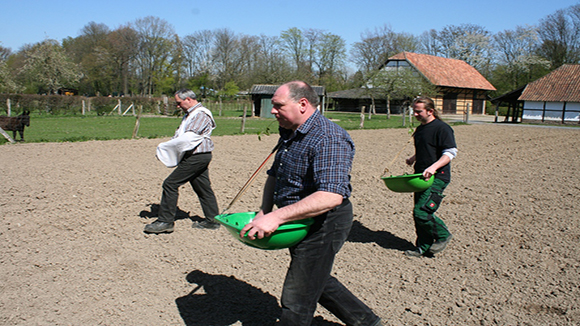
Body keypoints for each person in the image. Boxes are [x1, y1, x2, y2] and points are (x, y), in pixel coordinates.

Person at [240, 81, 382, 326]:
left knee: (297, 295)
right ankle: (366, 321)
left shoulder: (329, 138)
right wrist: (265, 209)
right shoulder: (290, 131)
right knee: (316, 277)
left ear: (302, 104)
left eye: (278, 105)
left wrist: (276, 217)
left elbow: (330, 196)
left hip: (326, 222)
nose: (272, 110)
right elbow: (275, 174)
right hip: (297, 218)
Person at [144, 89, 220, 234]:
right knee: (203, 188)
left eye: (179, 103)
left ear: (189, 100)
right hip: (197, 156)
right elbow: (180, 136)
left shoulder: (201, 114)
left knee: (170, 184)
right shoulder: (190, 115)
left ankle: (165, 221)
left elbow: (189, 138)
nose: (178, 106)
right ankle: (213, 220)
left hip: (197, 157)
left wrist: (164, 148)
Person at [404, 96, 457, 257]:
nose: (415, 114)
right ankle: (423, 247)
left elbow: (450, 152)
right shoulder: (420, 129)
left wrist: (433, 168)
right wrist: (414, 158)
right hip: (420, 176)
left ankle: (443, 235)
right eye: (414, 111)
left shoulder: (442, 128)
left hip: (437, 176)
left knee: (422, 211)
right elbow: (427, 148)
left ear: (430, 111)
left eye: (418, 111)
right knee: (417, 213)